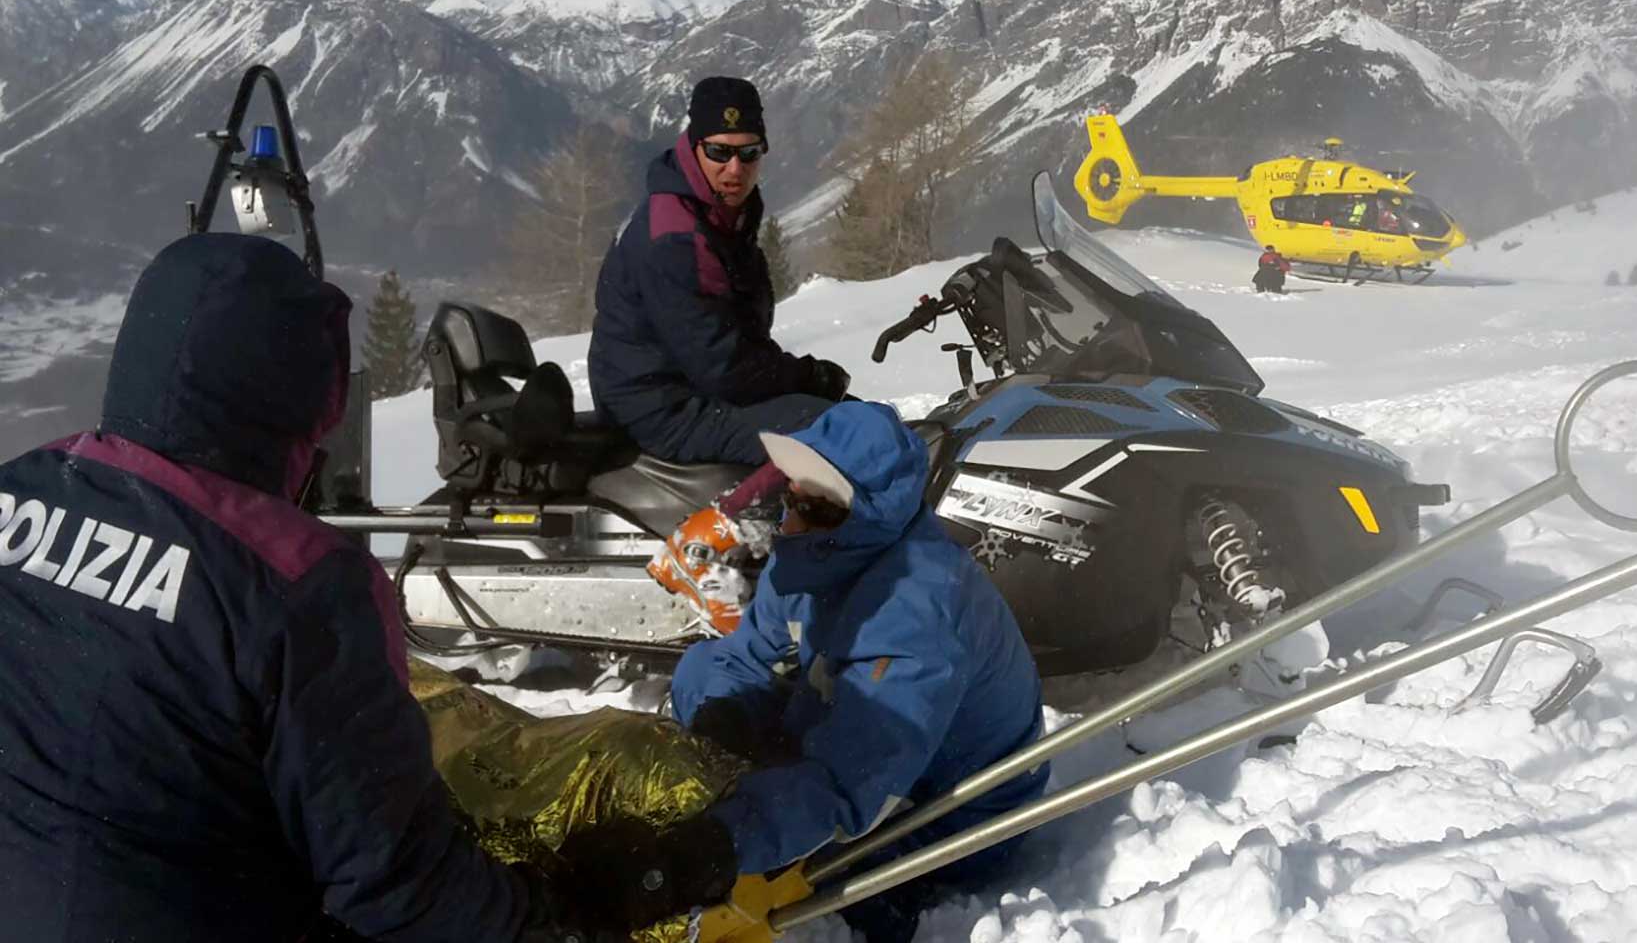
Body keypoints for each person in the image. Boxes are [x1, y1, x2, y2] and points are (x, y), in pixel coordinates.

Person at [0, 233, 719, 942]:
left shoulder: (20, 486)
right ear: (294, 393)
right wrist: (551, 918)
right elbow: (395, 881)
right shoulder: (294, 580)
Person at [667, 403, 1049, 940]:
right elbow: (740, 656)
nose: (792, 521)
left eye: (818, 510)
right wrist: (722, 724)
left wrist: (711, 849)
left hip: (940, 800)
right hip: (860, 735)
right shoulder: (810, 550)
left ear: (868, 519)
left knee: (827, 867)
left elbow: (851, 784)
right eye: (791, 498)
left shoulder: (918, 608)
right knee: (701, 669)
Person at [588, 75, 849, 467]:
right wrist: (809, 378)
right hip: (660, 411)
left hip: (683, 391)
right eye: (718, 152)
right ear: (694, 148)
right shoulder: (676, 236)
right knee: (841, 434)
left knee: (857, 420)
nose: (734, 169)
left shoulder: (715, 212)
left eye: (749, 154)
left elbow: (734, 342)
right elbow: (723, 369)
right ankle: (751, 524)